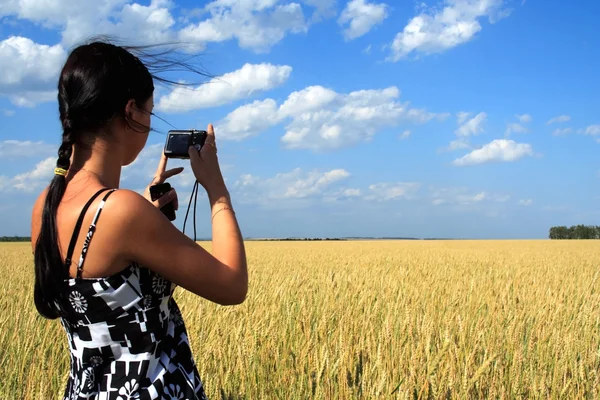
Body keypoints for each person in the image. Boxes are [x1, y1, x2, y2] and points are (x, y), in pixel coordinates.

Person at [29, 38, 248, 400]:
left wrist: (148, 210)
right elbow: (232, 285)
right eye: (148, 112)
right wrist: (217, 190)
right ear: (130, 112)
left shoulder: (45, 206)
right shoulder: (123, 212)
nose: (148, 124)